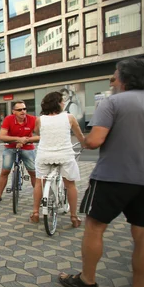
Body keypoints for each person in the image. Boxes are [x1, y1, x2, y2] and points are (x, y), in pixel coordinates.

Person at [58, 58, 144, 287]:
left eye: (115, 76)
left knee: (94, 227)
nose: (113, 81)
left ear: (126, 78)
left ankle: (87, 280)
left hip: (113, 176)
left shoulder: (112, 102)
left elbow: (95, 140)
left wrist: (83, 138)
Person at [30, 92, 86, 225]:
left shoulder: (40, 119)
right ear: (58, 103)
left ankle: (35, 212)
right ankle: (73, 217)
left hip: (44, 155)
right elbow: (80, 136)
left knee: (39, 183)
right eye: (62, 101)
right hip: (65, 155)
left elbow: (38, 132)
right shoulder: (69, 117)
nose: (63, 103)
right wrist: (85, 144)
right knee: (70, 185)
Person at [0, 100, 39, 204]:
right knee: (5, 171)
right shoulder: (8, 119)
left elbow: (40, 135)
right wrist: (18, 139)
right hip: (10, 147)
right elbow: (2, 136)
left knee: (33, 172)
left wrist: (25, 140)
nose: (23, 111)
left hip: (27, 147)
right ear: (13, 111)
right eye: (19, 110)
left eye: (24, 109)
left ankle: (39, 198)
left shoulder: (33, 119)